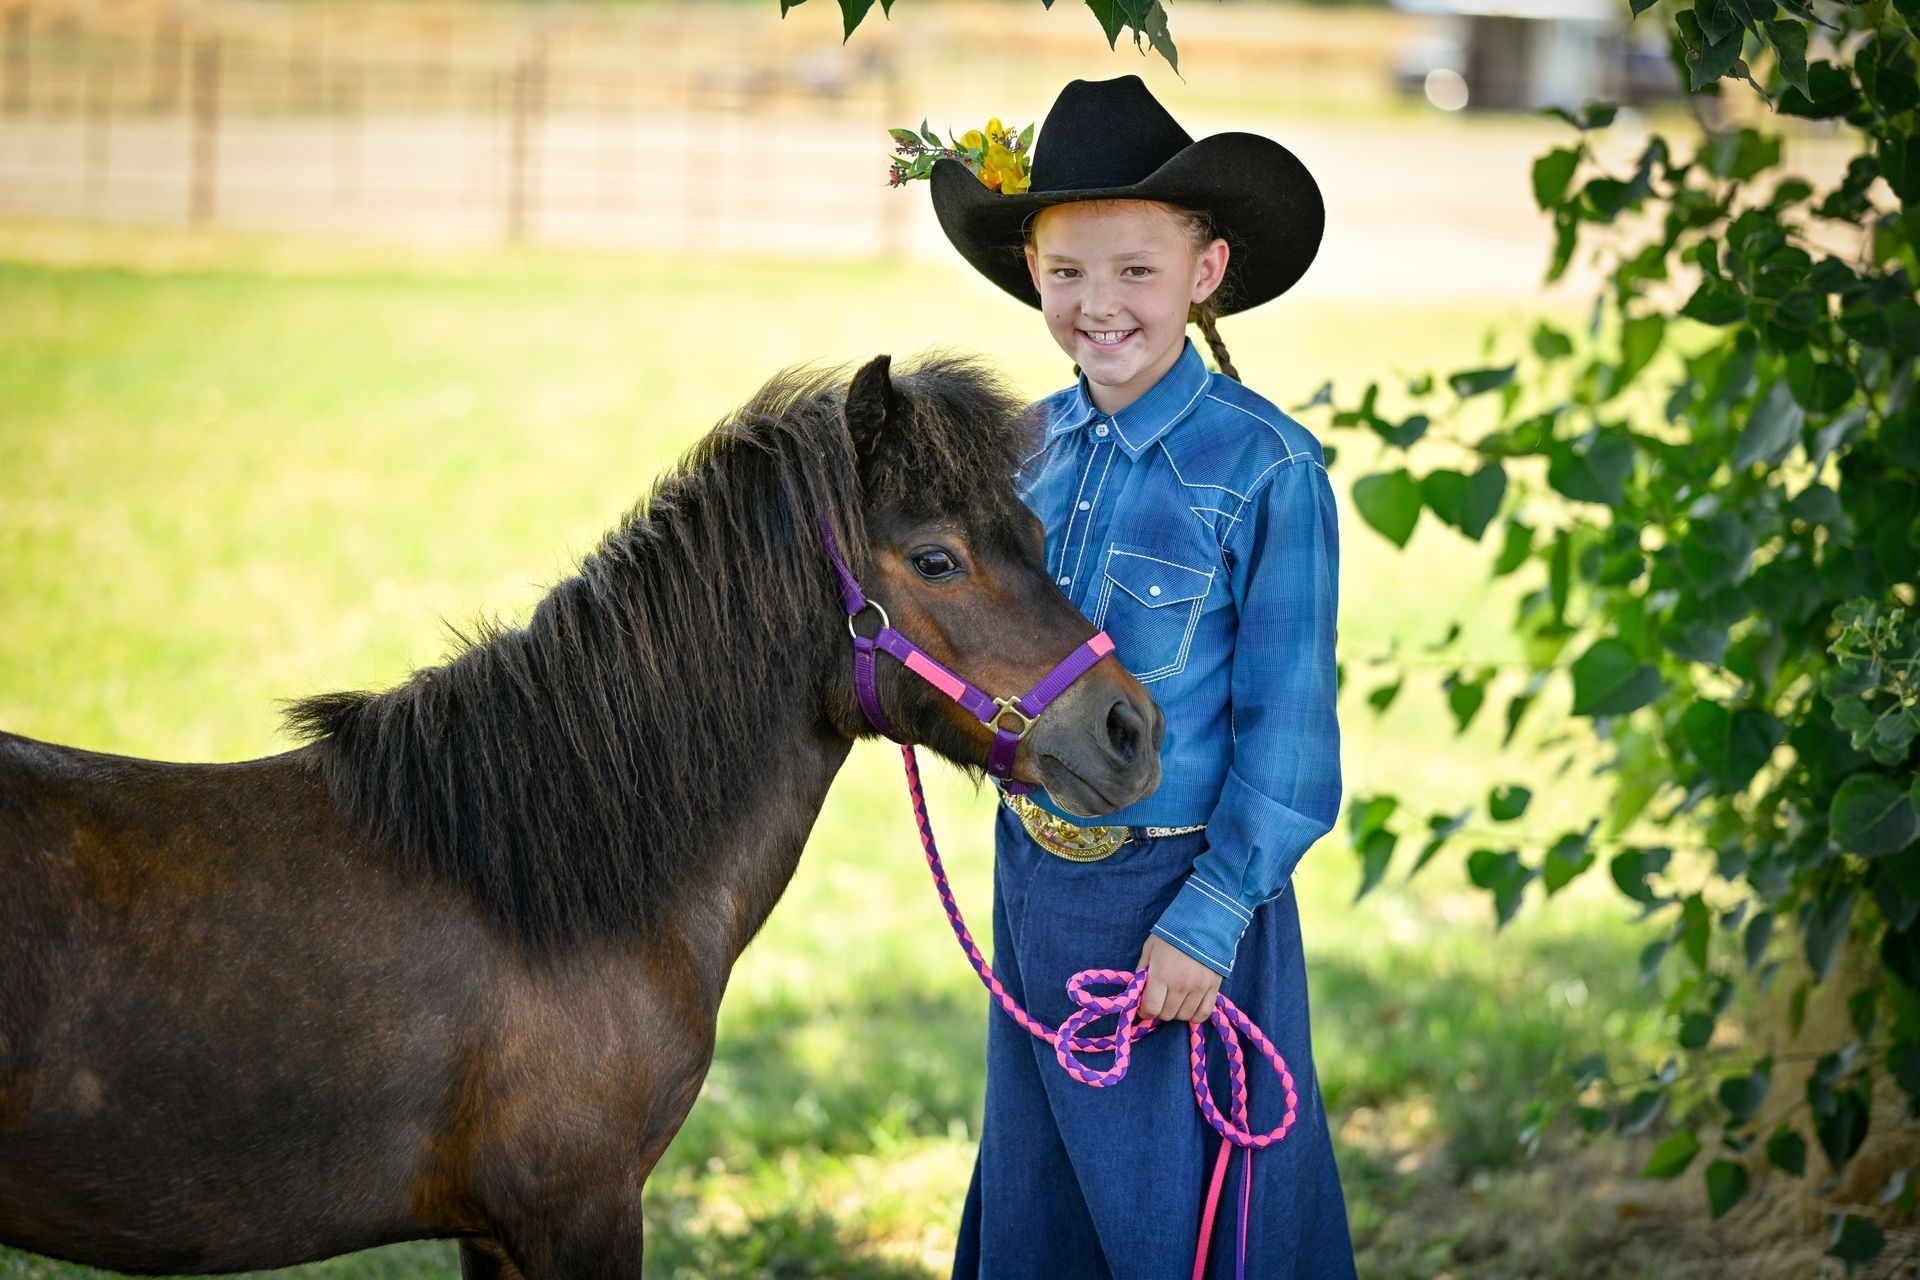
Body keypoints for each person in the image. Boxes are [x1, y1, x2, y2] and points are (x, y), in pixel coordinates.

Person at [924, 76, 1357, 1278]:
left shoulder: (1267, 469)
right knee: (1042, 1189)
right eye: (1066, 274)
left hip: (1178, 903)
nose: (1097, 305)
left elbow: (1290, 735)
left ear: (1207, 271)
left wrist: (1211, 919)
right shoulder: (1021, 452)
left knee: (1189, 1214)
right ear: (1031, 276)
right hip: (1039, 884)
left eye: (1135, 272)